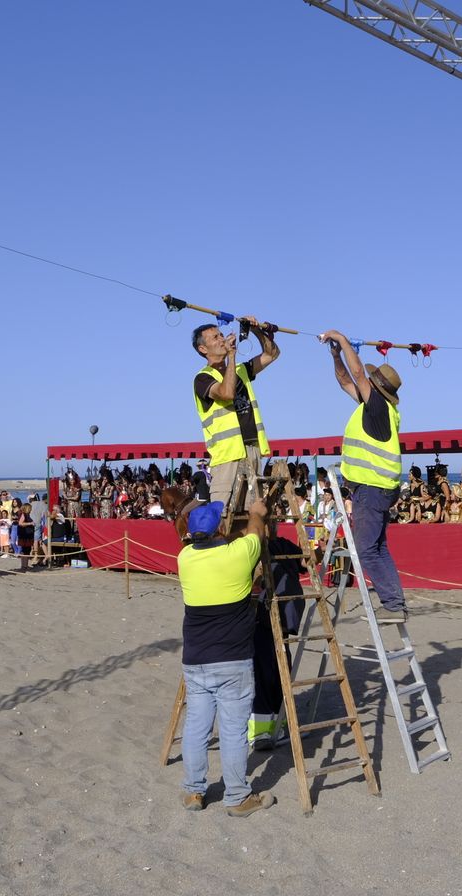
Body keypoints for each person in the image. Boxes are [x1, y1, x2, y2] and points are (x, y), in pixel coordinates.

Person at [174, 495, 276, 817]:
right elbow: (256, 534)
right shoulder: (238, 555)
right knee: (232, 731)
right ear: (219, 527)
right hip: (232, 659)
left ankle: (194, 791)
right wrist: (257, 512)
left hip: (195, 658)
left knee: (196, 726)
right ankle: (236, 797)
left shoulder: (185, 558)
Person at [321, 328, 407, 622]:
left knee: (367, 550)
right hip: (378, 488)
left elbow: (357, 374)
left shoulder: (379, 408)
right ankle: (395, 602)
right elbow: (347, 379)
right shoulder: (373, 407)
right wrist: (335, 356)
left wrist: (343, 340)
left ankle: (394, 605)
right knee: (377, 548)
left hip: (372, 489)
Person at [191, 316, 280, 510]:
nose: (222, 339)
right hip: (227, 457)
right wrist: (232, 357)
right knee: (222, 514)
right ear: (203, 349)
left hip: (252, 449)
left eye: (221, 334)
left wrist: (256, 330)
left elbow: (272, 354)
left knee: (252, 513)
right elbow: (227, 393)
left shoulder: (241, 370)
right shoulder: (203, 378)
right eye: (215, 337)